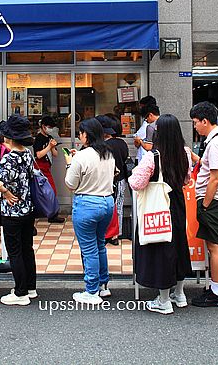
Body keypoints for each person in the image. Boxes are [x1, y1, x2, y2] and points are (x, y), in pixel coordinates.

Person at [129, 114, 192, 315]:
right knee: (179, 244)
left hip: (157, 205)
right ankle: (179, 294)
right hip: (177, 203)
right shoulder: (185, 153)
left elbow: (136, 183)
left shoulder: (153, 157)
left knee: (161, 248)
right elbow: (186, 180)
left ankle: (164, 301)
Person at [65, 118, 115, 305]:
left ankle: (91, 291)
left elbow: (70, 184)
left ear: (87, 135)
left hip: (87, 204)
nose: (79, 135)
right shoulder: (108, 153)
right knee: (100, 244)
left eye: (80, 132)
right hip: (107, 203)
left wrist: (70, 163)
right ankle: (103, 286)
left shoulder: (81, 157)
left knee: (89, 249)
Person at [189, 101, 218, 307]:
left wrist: (205, 204)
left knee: (214, 247)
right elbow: (209, 167)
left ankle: (216, 292)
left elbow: (214, 177)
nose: (195, 126)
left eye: (196, 122)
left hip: (213, 202)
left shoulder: (215, 143)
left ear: (205, 121)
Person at [0, 115, 38, 306]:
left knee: (15, 252)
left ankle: (20, 293)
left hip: (12, 211)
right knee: (27, 248)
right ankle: (30, 287)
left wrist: (3, 191)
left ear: (10, 138)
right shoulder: (28, 154)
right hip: (28, 209)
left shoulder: (8, 159)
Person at [100, 115, 129, 244]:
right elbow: (125, 158)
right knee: (119, 207)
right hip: (121, 179)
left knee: (107, 207)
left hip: (107, 181)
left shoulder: (104, 146)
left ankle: (106, 233)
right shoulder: (122, 143)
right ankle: (117, 234)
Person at [33, 116, 65, 224]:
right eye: (49, 127)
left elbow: (55, 154)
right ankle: (52, 215)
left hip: (47, 166)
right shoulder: (38, 138)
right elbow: (38, 155)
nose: (50, 129)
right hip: (40, 167)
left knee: (48, 191)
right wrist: (49, 147)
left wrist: (52, 147)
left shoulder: (49, 137)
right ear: (43, 126)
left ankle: (50, 213)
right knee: (50, 190)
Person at [133, 95, 157, 164]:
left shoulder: (149, 125)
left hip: (146, 159)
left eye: (141, 106)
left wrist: (140, 141)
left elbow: (147, 146)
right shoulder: (161, 123)